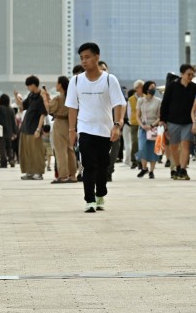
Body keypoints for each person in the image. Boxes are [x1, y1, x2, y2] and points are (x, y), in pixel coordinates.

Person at [66, 42, 127, 212]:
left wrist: (117, 125)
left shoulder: (109, 79)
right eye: (81, 58)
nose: (84, 61)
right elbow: (72, 107)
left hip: (105, 131)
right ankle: (89, 200)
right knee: (88, 165)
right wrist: (72, 130)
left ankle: (100, 193)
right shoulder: (76, 81)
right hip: (85, 129)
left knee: (102, 166)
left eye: (87, 57)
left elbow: (118, 104)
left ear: (97, 57)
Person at [159, 64, 196, 180]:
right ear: (182, 74)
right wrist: (162, 120)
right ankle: (177, 167)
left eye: (192, 74)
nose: (191, 76)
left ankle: (183, 169)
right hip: (172, 121)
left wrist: (195, 121)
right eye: (188, 74)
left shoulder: (195, 88)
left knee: (185, 145)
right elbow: (165, 103)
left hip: (188, 121)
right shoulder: (172, 86)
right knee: (174, 147)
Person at [16, 76, 50, 180]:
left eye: (28, 86)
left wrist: (38, 129)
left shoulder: (41, 97)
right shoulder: (31, 95)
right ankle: (29, 172)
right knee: (26, 152)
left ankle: (38, 172)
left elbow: (43, 114)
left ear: (33, 85)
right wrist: (17, 98)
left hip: (34, 129)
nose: (27, 88)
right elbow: (22, 106)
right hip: (26, 127)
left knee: (36, 152)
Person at [50, 76, 77, 183]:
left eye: (57, 83)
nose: (56, 85)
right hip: (69, 123)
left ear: (60, 85)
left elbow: (50, 108)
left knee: (60, 150)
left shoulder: (58, 98)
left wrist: (45, 98)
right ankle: (72, 174)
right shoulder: (70, 97)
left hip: (60, 123)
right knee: (70, 150)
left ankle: (62, 175)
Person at [136, 80, 161, 179]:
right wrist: (142, 125)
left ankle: (152, 170)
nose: (153, 89)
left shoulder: (158, 101)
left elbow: (160, 117)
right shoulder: (141, 100)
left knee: (153, 149)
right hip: (143, 127)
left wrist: (152, 125)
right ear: (146, 89)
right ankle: (144, 167)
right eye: (151, 87)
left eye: (154, 87)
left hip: (154, 127)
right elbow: (137, 115)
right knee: (142, 147)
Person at [0, 94, 18, 168]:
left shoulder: (0, 108)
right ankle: (11, 159)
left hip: (1, 131)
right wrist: (14, 132)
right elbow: (13, 121)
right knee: (9, 147)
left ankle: (3, 162)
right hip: (9, 131)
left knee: (2, 147)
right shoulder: (11, 109)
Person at [127, 80, 144, 168]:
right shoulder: (131, 99)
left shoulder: (145, 97)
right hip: (134, 123)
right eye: (140, 87)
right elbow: (129, 111)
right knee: (135, 142)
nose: (142, 89)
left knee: (142, 143)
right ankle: (134, 160)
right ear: (136, 88)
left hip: (144, 124)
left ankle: (141, 161)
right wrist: (130, 121)